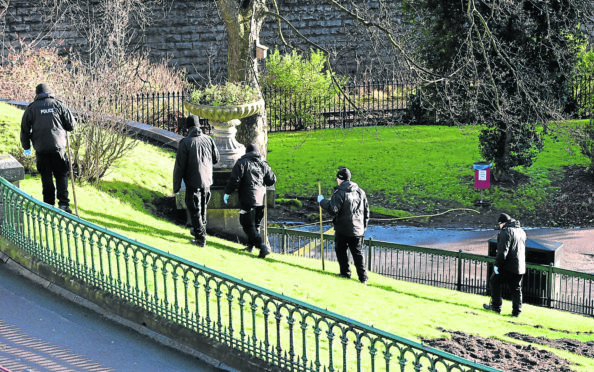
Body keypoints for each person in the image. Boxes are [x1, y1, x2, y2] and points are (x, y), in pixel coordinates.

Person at [20, 83, 77, 213]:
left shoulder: (31, 108)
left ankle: (48, 205)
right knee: (61, 174)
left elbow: (24, 130)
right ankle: (63, 204)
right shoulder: (58, 104)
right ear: (49, 92)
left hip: (41, 149)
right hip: (58, 148)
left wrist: (26, 147)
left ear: (37, 94)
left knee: (46, 176)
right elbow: (71, 125)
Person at [173, 115, 220, 247]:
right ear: (199, 126)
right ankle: (198, 231)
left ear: (188, 127)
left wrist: (176, 187)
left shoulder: (185, 143)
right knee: (202, 208)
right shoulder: (208, 139)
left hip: (193, 181)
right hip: (207, 180)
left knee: (194, 209)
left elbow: (179, 167)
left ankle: (200, 238)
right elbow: (216, 159)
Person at [223, 143, 276, 258]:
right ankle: (251, 246)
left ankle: (262, 246)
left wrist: (227, 192)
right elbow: (271, 180)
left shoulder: (242, 163)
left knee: (246, 224)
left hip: (248, 198)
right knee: (255, 224)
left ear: (246, 152)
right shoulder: (263, 163)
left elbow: (234, 180)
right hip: (260, 199)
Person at [317, 167, 369, 284]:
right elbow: (366, 211)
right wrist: (364, 226)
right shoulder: (360, 192)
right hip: (358, 229)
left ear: (340, 179)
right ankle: (363, 278)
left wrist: (322, 201)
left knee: (341, 251)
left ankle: (345, 273)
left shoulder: (340, 192)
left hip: (343, 229)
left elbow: (332, 209)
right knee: (358, 253)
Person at [483, 213, 526, 317]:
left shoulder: (506, 231)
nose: (499, 227)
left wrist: (497, 265)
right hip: (519, 266)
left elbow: (503, 251)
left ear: (502, 223)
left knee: (494, 281)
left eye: (500, 224)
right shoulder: (521, 231)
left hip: (508, 265)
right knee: (516, 289)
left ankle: (496, 306)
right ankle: (517, 312)